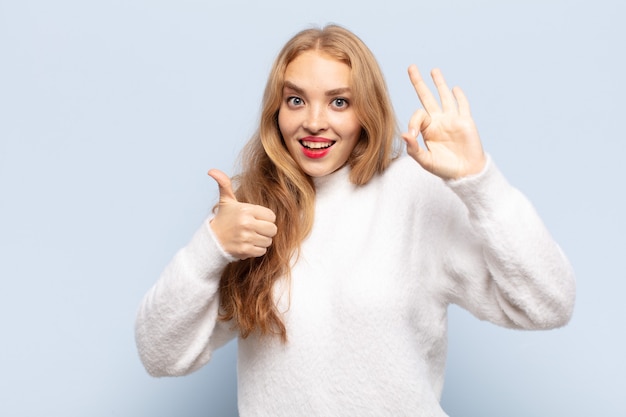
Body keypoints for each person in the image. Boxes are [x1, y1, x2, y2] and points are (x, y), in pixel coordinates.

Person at [135, 24, 575, 416]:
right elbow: (160, 354)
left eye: (339, 102)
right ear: (276, 111)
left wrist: (480, 182)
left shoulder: (413, 192)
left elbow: (549, 304)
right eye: (295, 100)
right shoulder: (254, 209)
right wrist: (210, 246)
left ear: (366, 111)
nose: (313, 122)